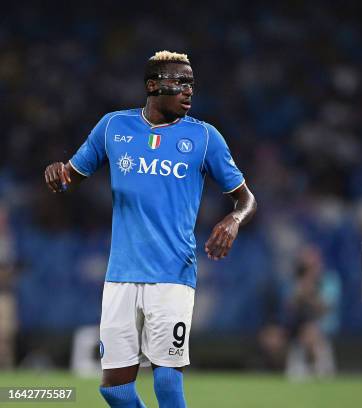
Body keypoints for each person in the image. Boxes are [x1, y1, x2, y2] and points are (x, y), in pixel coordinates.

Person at [44, 51, 257, 408]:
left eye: (192, 84)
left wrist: (233, 220)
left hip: (172, 275)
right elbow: (69, 177)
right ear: (153, 85)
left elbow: (246, 199)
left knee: (167, 379)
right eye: (180, 83)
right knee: (114, 389)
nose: (189, 91)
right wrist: (56, 175)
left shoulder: (204, 137)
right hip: (121, 275)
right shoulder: (113, 127)